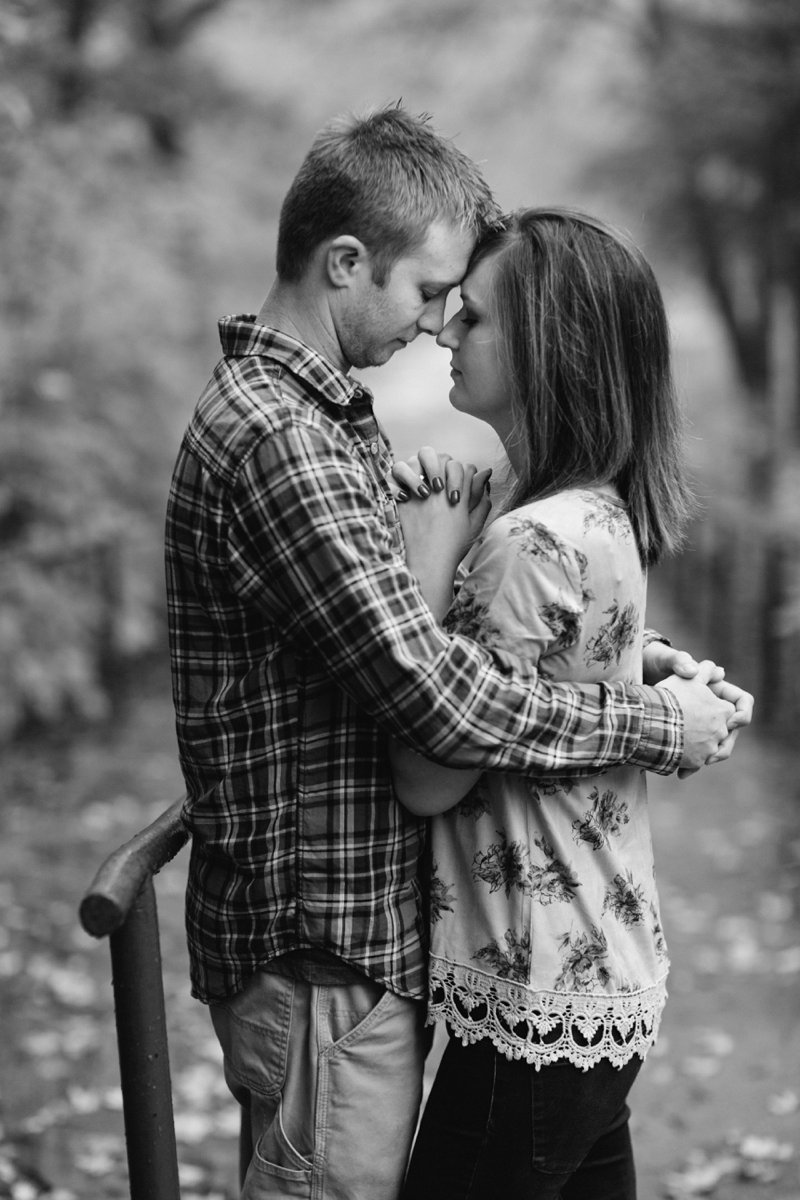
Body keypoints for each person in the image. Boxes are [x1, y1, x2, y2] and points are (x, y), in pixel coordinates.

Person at [164, 107, 748, 1200]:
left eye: (461, 307)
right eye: (432, 291)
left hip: (392, 953)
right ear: (345, 263)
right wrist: (650, 719)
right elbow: (442, 705)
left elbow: (447, 674)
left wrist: (637, 665)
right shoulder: (289, 439)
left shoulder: (329, 428)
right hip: (322, 947)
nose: (437, 325)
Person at [390, 208, 752, 1200]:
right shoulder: (592, 509)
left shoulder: (523, 540)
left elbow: (429, 772)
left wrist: (429, 561)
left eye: (473, 320)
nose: (443, 334)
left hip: (528, 996)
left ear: (551, 350)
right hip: (599, 977)